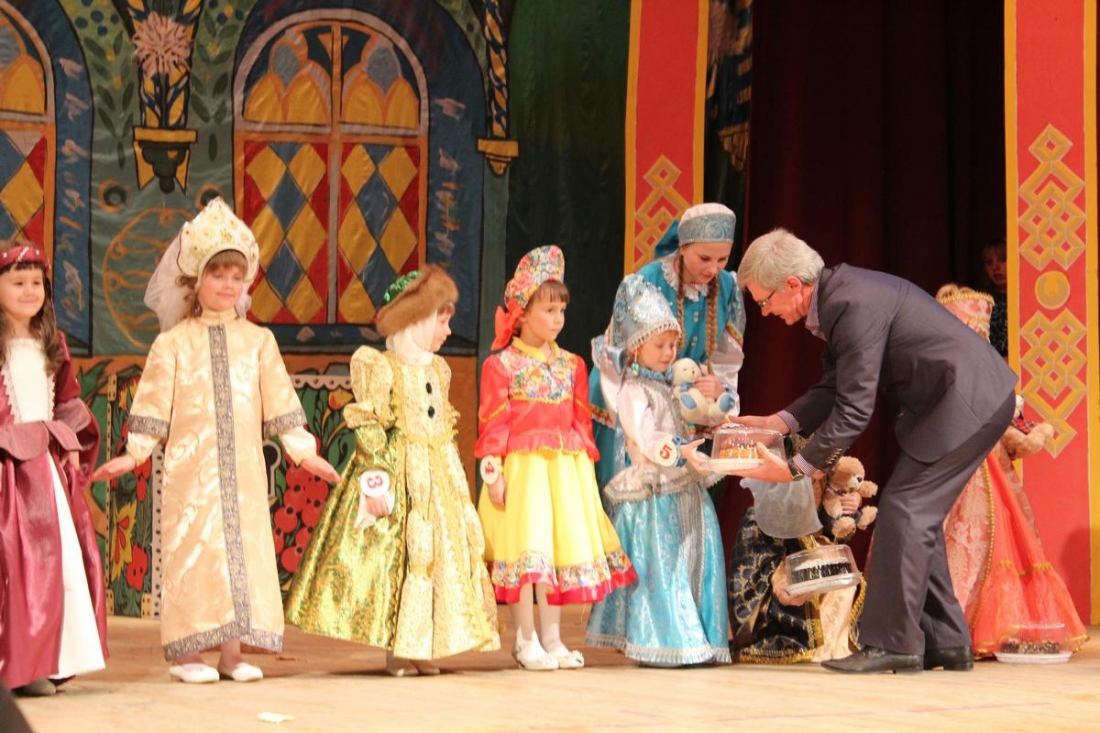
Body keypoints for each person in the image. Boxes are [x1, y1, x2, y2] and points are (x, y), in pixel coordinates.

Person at [731, 227, 1017, 674]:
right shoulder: (839, 298)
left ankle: (893, 644)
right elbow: (835, 386)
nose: (766, 312)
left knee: (905, 510)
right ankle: (946, 641)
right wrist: (777, 423)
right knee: (911, 514)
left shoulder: (850, 303)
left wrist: (795, 469)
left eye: (764, 302)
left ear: (792, 285)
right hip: (961, 400)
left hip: (968, 400)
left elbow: (853, 408)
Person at [92, 198, 341, 684]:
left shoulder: (258, 341)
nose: (227, 285)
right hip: (191, 471)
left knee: (240, 552)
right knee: (195, 551)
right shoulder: (173, 343)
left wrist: (305, 453)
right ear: (196, 279)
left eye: (236, 276)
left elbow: (280, 402)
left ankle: (231, 654)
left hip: (244, 471)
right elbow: (153, 405)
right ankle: (188, 655)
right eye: (218, 274)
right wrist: (133, 454)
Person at [285, 266, 499, 676]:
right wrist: (378, 474)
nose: (447, 331)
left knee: (438, 556)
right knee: (399, 558)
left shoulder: (438, 369)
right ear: (416, 321)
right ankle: (398, 648)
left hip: (437, 472)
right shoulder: (382, 366)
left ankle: (423, 645)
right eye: (441, 321)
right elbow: (370, 422)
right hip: (400, 470)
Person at [477, 245, 636, 671]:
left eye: (561, 310)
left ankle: (552, 637)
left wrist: (583, 472)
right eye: (548, 310)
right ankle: (524, 639)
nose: (557, 319)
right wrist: (493, 474)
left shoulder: (572, 365)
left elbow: (581, 422)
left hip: (564, 474)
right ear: (522, 312)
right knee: (527, 554)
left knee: (556, 556)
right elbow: (492, 425)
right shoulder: (502, 365)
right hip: (524, 474)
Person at [584, 275, 729, 667]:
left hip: (683, 486)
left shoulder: (668, 387)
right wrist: (680, 451)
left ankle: (698, 638)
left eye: (672, 345)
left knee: (695, 560)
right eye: (660, 345)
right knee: (663, 568)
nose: (669, 353)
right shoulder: (633, 391)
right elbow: (647, 438)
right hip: (654, 495)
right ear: (637, 347)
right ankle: (668, 642)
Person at [937, 285, 1087, 657]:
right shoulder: (941, 375)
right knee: (956, 541)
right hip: (952, 468)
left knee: (995, 538)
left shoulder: (990, 377)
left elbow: (1005, 425)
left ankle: (987, 626)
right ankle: (948, 627)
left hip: (989, 470)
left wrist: (1025, 435)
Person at [0, 240, 107, 697]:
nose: (29, 291)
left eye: (36, 283)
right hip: (7, 474)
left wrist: (70, 447)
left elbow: (66, 400)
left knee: (51, 566)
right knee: (12, 567)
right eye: (17, 283)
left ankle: (44, 661)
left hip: (43, 474)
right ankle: (14, 663)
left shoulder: (51, 343)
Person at [590, 203, 746, 488]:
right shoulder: (646, 282)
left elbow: (727, 359)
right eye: (704, 258)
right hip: (630, 395)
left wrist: (719, 390)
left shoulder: (727, 287)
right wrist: (633, 420)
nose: (714, 268)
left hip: (679, 402)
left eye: (723, 259)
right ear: (683, 247)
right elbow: (616, 354)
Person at [979, 239, 1008, 357]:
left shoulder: (1026, 299)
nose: (995, 267)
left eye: (1002, 260)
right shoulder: (981, 302)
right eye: (989, 263)